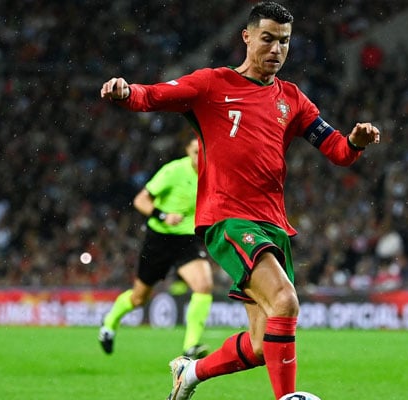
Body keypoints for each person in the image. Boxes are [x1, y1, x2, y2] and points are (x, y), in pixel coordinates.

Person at [99, 2, 381, 399]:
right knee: (285, 300)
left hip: (272, 223)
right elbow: (154, 95)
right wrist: (126, 92)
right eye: (267, 39)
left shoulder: (293, 100)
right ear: (246, 37)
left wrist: (355, 142)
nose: (276, 49)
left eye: (284, 41)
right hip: (228, 218)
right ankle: (287, 397)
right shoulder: (213, 84)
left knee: (262, 343)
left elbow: (336, 149)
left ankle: (191, 372)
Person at [98, 137, 214, 360]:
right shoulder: (173, 171)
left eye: (202, 152)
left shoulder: (212, 173)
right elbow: (140, 200)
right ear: (187, 152)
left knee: (204, 285)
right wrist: (164, 215)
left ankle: (190, 347)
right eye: (194, 152)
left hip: (187, 240)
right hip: (159, 239)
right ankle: (110, 321)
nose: (199, 157)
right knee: (139, 298)